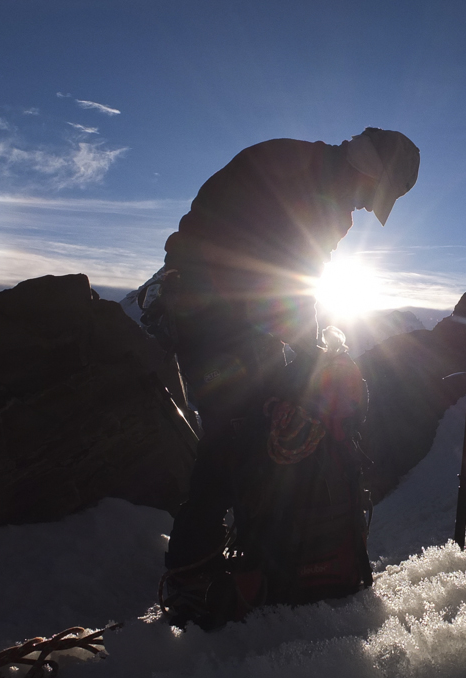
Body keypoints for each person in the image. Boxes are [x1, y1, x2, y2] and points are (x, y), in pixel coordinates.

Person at [149, 128, 420, 629]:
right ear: (369, 171)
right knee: (234, 437)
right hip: (215, 314)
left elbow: (291, 278)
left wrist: (305, 347)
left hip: (215, 308)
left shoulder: (312, 174)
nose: (367, 208)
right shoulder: (311, 186)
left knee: (246, 433)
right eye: (375, 196)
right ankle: (194, 578)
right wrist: (305, 351)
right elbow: (282, 277)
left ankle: (251, 565)